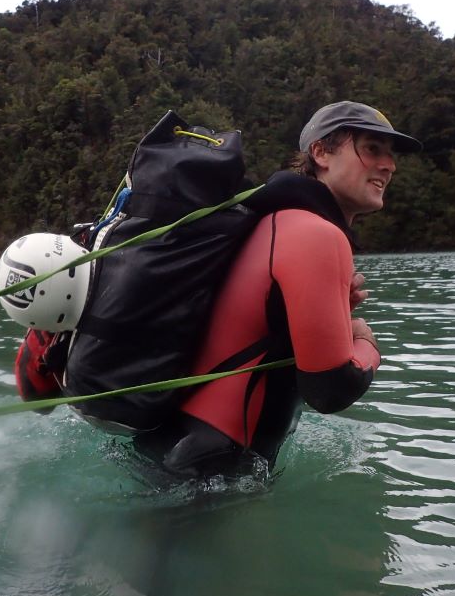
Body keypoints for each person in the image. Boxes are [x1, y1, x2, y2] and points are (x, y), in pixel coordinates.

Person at [132, 101, 422, 478]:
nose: (389, 164)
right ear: (320, 153)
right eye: (371, 149)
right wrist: (366, 344)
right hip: (213, 464)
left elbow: (249, 325)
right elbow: (331, 389)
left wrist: (334, 321)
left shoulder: (273, 219)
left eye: (391, 154)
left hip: (172, 440)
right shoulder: (316, 233)